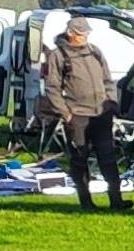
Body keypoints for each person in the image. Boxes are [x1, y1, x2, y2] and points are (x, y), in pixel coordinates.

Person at [41, 19, 128, 210]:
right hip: (77, 115)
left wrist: (111, 102)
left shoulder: (95, 51)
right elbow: (52, 88)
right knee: (79, 158)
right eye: (82, 34)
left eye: (87, 33)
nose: (86, 37)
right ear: (71, 33)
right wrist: (66, 114)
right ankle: (86, 201)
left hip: (102, 114)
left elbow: (108, 80)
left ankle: (116, 200)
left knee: (108, 157)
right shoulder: (58, 55)